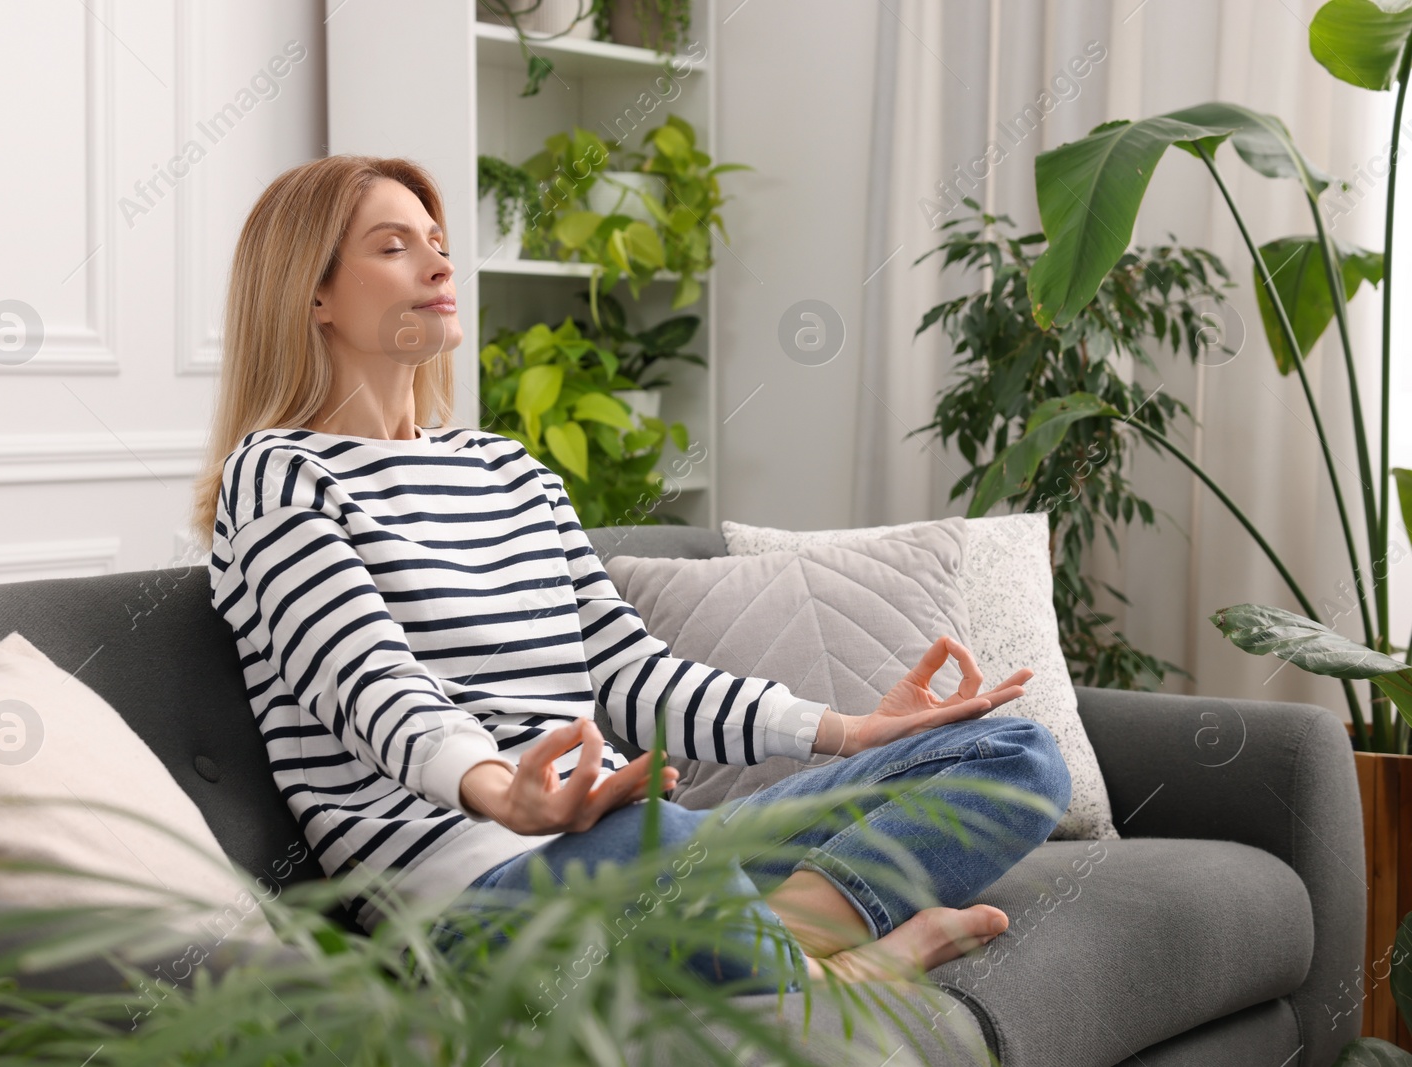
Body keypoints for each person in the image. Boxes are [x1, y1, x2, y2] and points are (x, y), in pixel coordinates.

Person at [190, 154, 1072, 993]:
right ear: (312, 294)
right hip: (470, 897)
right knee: (644, 834)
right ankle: (823, 965)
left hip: (642, 846)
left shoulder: (509, 471)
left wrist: (845, 731)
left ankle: (774, 938)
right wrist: (505, 793)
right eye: (394, 245)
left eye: (439, 241)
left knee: (1014, 753)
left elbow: (631, 675)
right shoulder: (279, 475)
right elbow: (373, 686)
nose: (437, 261)